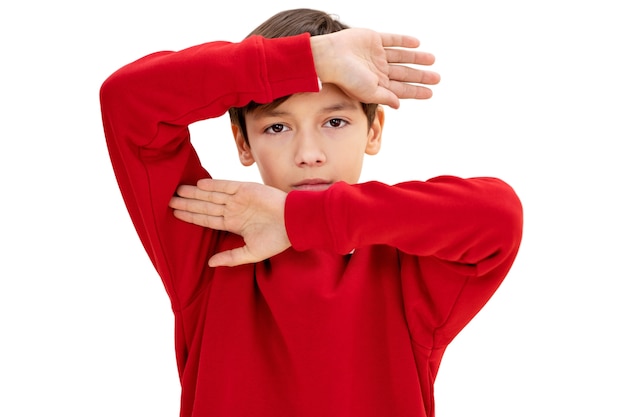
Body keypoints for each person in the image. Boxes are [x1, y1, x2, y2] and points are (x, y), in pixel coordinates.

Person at [99, 8, 523, 417]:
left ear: (373, 132)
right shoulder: (208, 235)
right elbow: (128, 99)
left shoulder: (403, 268)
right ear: (243, 143)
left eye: (334, 122)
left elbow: (498, 216)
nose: (308, 155)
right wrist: (310, 59)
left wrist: (296, 219)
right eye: (277, 127)